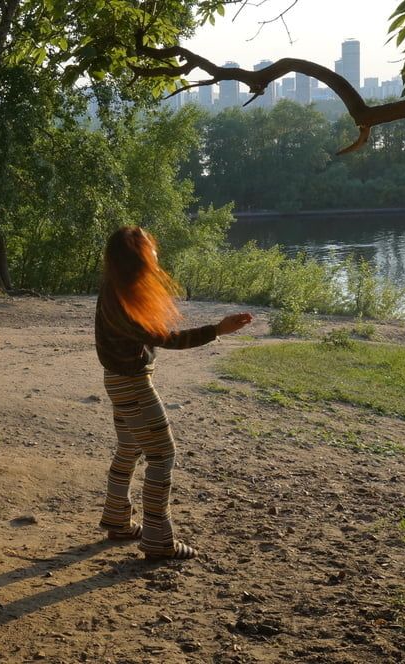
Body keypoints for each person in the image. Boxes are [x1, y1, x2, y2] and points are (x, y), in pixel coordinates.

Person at [95, 226, 252, 560]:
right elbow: (168, 339)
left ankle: (117, 520)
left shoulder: (115, 287)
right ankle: (157, 540)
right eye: (150, 250)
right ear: (134, 257)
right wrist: (217, 330)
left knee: (129, 450)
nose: (156, 255)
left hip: (119, 381)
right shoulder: (123, 297)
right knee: (162, 456)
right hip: (132, 385)